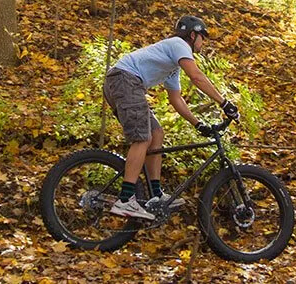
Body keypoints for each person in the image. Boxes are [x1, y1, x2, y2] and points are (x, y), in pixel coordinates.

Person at [101, 15, 239, 220]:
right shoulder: (179, 44)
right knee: (142, 138)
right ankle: (125, 199)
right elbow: (196, 76)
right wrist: (224, 102)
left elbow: (176, 99)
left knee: (156, 133)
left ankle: (156, 195)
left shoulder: (173, 66)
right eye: (203, 36)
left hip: (122, 83)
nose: (204, 42)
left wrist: (198, 124)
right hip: (125, 80)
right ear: (192, 35)